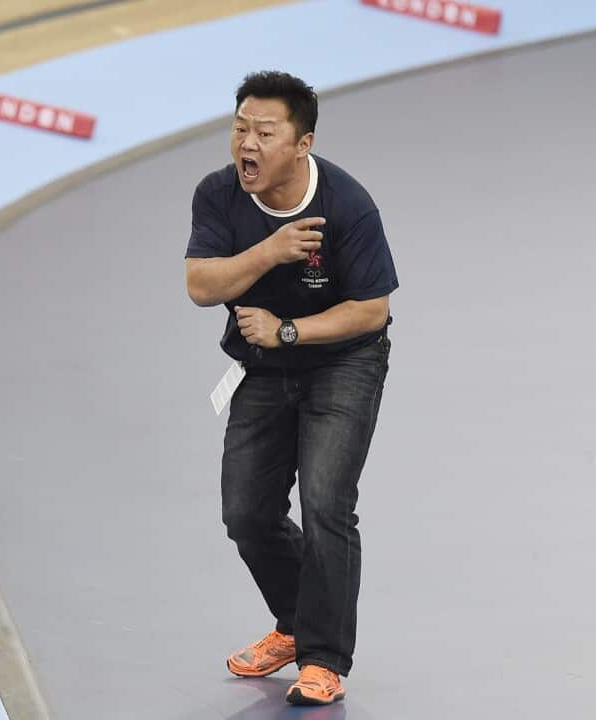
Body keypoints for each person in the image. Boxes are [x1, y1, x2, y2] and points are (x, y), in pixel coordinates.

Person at [183, 71, 398, 705]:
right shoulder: (219, 195)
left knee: (327, 503)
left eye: (264, 132)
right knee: (246, 514)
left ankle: (324, 659)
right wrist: (270, 251)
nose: (246, 143)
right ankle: (299, 622)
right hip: (264, 367)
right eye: (239, 127)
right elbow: (202, 285)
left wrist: (287, 331)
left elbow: (371, 311)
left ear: (301, 144)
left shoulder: (348, 204)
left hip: (344, 363)